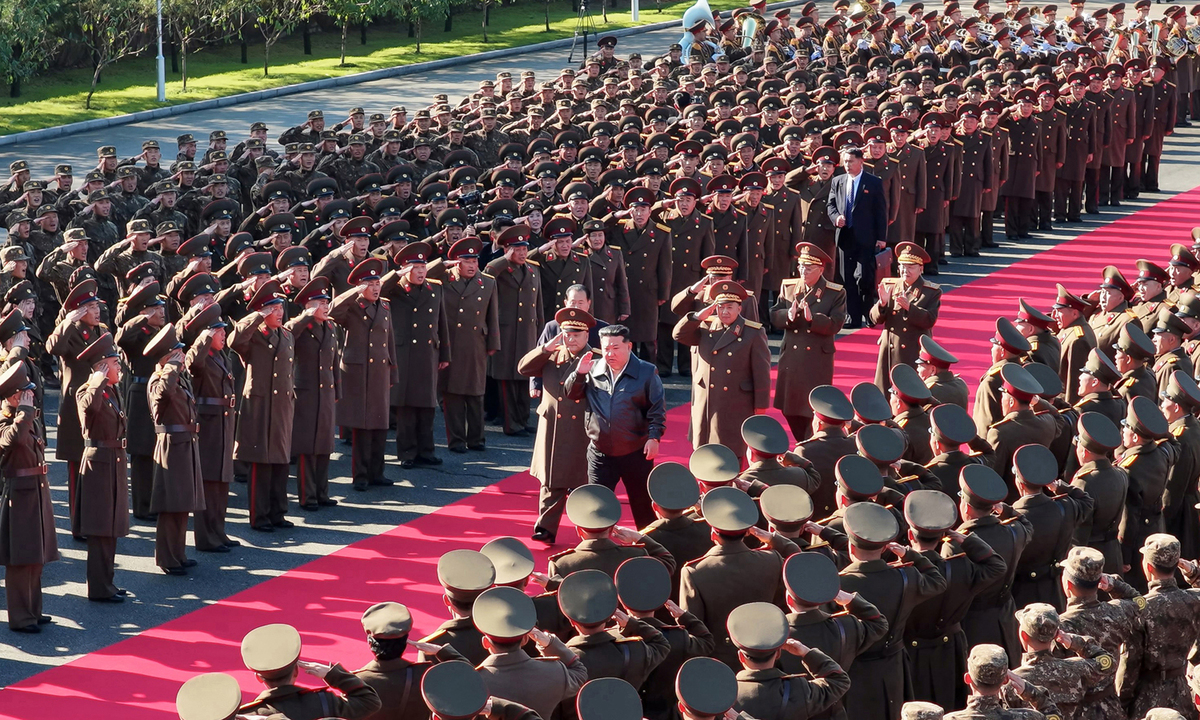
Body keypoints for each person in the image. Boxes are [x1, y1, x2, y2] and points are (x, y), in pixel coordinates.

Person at [564, 324, 666, 530]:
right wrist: (579, 374)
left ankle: (650, 549)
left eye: (615, 348)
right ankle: (596, 547)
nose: (610, 353)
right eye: (606, 348)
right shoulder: (592, 369)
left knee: (643, 506)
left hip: (635, 452)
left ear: (629, 346)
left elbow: (656, 410)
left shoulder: (646, 372)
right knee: (596, 506)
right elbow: (571, 394)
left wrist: (654, 437)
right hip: (600, 452)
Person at [519, 307, 598, 544]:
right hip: (553, 425)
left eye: (576, 335)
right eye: (566, 334)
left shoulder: (595, 359)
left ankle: (590, 529)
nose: (571, 339)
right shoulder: (552, 355)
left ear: (586, 336)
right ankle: (545, 527)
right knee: (551, 480)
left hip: (581, 429)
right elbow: (523, 368)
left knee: (582, 481)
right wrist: (544, 348)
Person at [672, 280, 771, 458]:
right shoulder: (705, 327)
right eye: (720, 307)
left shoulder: (753, 332)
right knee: (703, 450)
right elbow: (678, 334)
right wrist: (696, 317)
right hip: (707, 402)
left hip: (735, 404)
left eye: (729, 307)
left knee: (732, 452)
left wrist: (761, 407)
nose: (724, 312)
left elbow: (761, 372)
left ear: (739, 308)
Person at [230, 279, 296, 532]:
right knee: (261, 462)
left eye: (280, 309)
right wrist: (256, 317)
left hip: (281, 405)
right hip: (259, 405)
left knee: (280, 461)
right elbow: (235, 341)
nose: (279, 313)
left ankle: (278, 512)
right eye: (273, 309)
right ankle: (260, 516)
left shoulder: (287, 335)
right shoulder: (254, 335)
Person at [330, 256, 396, 490]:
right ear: (360, 286)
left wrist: (393, 372)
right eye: (370, 284)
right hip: (357, 374)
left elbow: (390, 342)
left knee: (379, 426)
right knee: (361, 429)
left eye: (378, 284)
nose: (376, 288)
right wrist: (352, 293)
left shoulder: (385, 306)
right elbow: (333, 310)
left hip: (379, 371)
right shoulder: (352, 307)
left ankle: (377, 473)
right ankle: (360, 476)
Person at [145, 323, 205, 576]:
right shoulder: (159, 379)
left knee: (182, 503)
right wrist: (170, 368)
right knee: (171, 505)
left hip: (185, 443)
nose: (182, 358)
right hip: (171, 445)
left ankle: (178, 553)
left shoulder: (177, 377)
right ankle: (167, 557)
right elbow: (161, 397)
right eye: (177, 354)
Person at [771, 243, 847, 441]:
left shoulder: (834, 292)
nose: (803, 271)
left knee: (812, 408)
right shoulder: (789, 287)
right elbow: (774, 315)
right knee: (790, 408)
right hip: (792, 358)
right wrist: (787, 315)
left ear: (821, 269)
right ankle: (802, 441)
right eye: (801, 266)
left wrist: (813, 318)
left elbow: (836, 324)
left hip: (816, 359)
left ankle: (808, 446)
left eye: (808, 268)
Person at [0, 363, 56, 632]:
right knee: (21, 558)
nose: (32, 397)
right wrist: (23, 412)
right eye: (26, 393)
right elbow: (14, 441)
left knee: (36, 555)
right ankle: (20, 617)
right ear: (13, 397)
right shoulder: (5, 423)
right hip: (19, 494)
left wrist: (26, 413)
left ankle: (34, 609)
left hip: (36, 488)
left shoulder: (26, 419)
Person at [74, 332, 129, 602]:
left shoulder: (112, 390)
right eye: (114, 363)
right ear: (103, 367)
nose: (119, 368)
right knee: (99, 531)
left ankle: (108, 583)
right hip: (98, 464)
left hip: (114, 461)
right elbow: (89, 410)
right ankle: (98, 588)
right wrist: (96, 381)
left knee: (111, 529)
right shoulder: (87, 391)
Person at [727, 601, 851, 720]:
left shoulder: (724, 696)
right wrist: (806, 653)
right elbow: (839, 680)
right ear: (778, 654)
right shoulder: (798, 690)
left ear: (741, 657)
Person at [181, 303, 239, 552]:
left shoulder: (220, 354)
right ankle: (206, 537)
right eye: (218, 331)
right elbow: (193, 363)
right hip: (209, 422)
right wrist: (204, 338)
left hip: (223, 419)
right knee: (208, 481)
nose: (223, 334)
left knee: (221, 480)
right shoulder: (201, 354)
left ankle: (219, 531)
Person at [386, 242, 449, 469]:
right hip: (403, 354)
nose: (421, 272)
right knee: (405, 408)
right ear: (404, 269)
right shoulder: (394, 289)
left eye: (423, 268)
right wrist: (396, 276)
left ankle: (427, 450)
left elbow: (442, 324)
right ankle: (407, 452)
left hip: (427, 354)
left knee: (426, 406)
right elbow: (378, 290)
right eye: (415, 268)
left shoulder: (435, 288)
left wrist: (445, 353)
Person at [239, 622, 382, 719]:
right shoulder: (323, 702)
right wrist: (333, 674)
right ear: (296, 671)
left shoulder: (249, 714)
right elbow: (370, 702)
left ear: (258, 677)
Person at [353, 601, 469, 720]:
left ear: (370, 642)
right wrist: (441, 651)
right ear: (405, 642)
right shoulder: (426, 674)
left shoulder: (356, 682)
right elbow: (470, 677)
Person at [441, 237, 500, 454]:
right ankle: (456, 440)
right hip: (451, 343)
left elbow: (492, 315)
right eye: (467, 261)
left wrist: (494, 342)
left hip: (476, 343)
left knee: (476, 393)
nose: (473, 265)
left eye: (475, 261)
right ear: (457, 263)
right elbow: (423, 271)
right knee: (452, 394)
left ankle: (477, 438)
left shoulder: (487, 282)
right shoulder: (444, 279)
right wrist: (442, 265)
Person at [287, 277, 339, 510]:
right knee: (307, 447)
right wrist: (306, 315)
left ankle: (322, 492)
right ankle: (307, 496)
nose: (325, 307)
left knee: (324, 445)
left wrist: (337, 388)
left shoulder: (330, 326)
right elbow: (288, 333)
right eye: (320, 303)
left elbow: (334, 360)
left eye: (326, 302)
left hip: (326, 391)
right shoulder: (299, 327)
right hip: (305, 392)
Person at [827, 147, 888, 328]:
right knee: (847, 279)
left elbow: (881, 212)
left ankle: (869, 314)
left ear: (861, 161)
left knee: (865, 277)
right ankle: (852, 317)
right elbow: (831, 205)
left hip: (866, 238)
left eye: (851, 161)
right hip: (845, 237)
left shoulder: (873, 182)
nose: (847, 165)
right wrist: (836, 217)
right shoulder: (837, 181)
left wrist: (881, 237)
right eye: (845, 161)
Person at [870, 242, 942, 391]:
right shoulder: (890, 285)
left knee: (909, 393)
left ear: (921, 268)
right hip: (890, 351)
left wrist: (910, 308)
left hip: (912, 351)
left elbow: (929, 320)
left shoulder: (930, 291)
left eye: (910, 267)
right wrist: (882, 304)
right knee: (886, 393)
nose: (905, 270)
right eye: (902, 266)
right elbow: (873, 319)